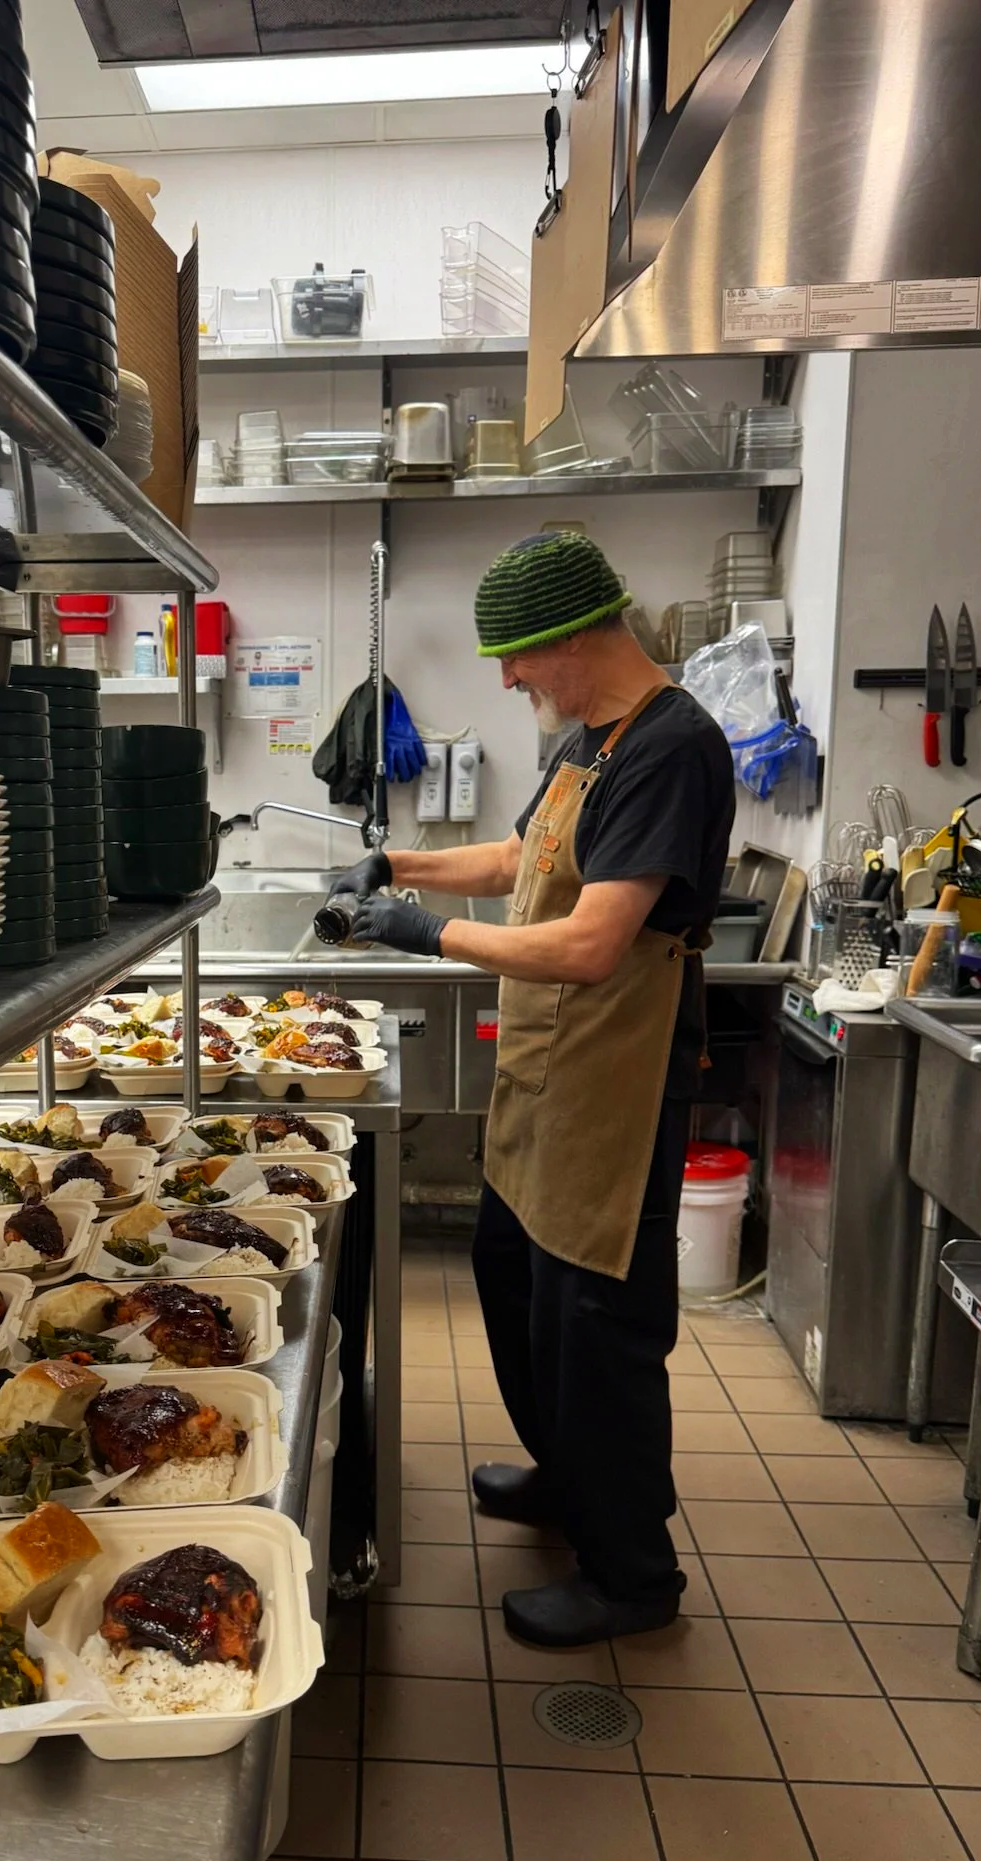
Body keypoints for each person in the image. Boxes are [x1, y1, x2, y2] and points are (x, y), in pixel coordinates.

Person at [336, 532, 735, 1647]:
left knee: (596, 1325)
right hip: (545, 1078)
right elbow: (521, 863)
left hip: (616, 1079)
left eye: (515, 656)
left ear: (571, 635)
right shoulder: (587, 742)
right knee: (510, 1277)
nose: (507, 678)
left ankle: (632, 1574)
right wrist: (398, 867)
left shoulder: (670, 746)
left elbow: (597, 942)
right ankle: (568, 1476)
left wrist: (430, 937)